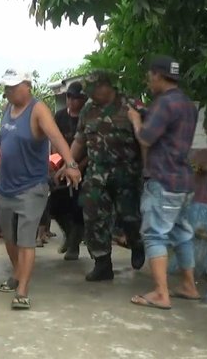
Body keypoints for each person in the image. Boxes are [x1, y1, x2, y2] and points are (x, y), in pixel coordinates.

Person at [0, 68, 81, 309]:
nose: (8, 91)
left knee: (25, 240)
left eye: (13, 87)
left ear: (27, 85)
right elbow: (5, 145)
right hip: (5, 186)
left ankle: (22, 289)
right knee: (9, 238)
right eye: (6, 87)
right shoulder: (6, 110)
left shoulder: (38, 110)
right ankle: (16, 274)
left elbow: (56, 138)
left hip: (31, 187)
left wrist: (71, 164)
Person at [128, 56, 200, 310]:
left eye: (150, 76)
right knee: (182, 233)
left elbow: (146, 138)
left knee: (154, 234)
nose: (149, 81)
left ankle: (161, 293)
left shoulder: (164, 104)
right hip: (183, 180)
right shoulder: (187, 104)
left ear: (158, 75)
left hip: (163, 179)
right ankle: (189, 286)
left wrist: (136, 120)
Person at [67, 70, 145, 281]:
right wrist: (68, 163)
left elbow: (146, 139)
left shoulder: (131, 105)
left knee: (130, 218)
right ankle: (102, 263)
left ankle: (136, 243)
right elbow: (80, 140)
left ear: (106, 86)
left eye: (93, 88)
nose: (90, 93)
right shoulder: (88, 110)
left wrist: (147, 170)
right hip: (97, 173)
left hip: (127, 172)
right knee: (93, 217)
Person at [47, 82, 88, 260]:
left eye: (77, 98)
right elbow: (54, 141)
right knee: (54, 205)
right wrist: (57, 163)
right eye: (70, 97)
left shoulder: (88, 117)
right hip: (62, 167)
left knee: (79, 207)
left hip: (84, 167)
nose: (73, 101)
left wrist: (77, 166)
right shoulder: (60, 116)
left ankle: (74, 245)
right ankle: (70, 235)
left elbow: (91, 147)